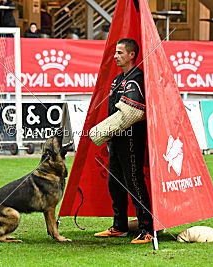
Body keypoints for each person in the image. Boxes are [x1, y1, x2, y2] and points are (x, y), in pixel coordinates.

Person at [89, 38, 153, 244]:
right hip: (115, 140)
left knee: (134, 182)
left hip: (132, 139)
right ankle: (120, 227)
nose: (115, 56)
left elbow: (134, 112)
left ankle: (147, 228)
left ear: (132, 55)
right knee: (114, 183)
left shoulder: (136, 78)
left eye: (119, 53)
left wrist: (100, 131)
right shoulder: (118, 80)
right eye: (115, 53)